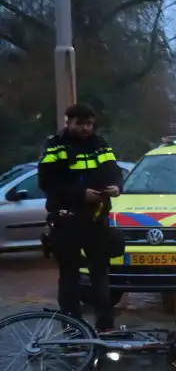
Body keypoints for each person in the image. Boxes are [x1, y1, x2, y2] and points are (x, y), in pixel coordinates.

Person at [37, 103, 122, 331]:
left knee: (100, 274)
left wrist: (116, 186)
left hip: (96, 219)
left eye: (89, 124)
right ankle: (72, 329)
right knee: (69, 277)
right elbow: (47, 182)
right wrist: (81, 194)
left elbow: (114, 170)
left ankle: (105, 328)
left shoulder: (100, 144)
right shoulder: (55, 146)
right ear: (68, 122)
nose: (85, 128)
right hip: (67, 220)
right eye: (80, 123)